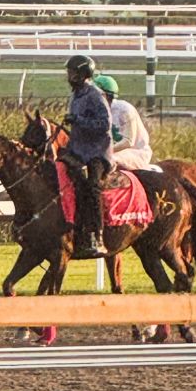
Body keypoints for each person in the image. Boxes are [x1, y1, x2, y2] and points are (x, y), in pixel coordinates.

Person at [59, 54, 113, 258]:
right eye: (68, 72)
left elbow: (105, 125)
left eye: (72, 72)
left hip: (96, 154)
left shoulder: (95, 94)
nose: (69, 76)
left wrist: (78, 120)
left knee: (92, 187)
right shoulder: (76, 95)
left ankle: (97, 237)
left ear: (83, 74)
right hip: (79, 151)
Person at [92, 74, 153, 171]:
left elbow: (128, 142)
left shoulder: (125, 110)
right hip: (112, 152)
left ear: (105, 95)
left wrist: (103, 151)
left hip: (136, 152)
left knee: (108, 160)